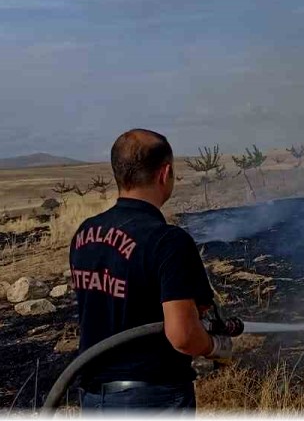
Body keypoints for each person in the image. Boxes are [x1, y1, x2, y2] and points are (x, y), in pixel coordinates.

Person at [69, 128, 231, 412]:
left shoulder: (85, 234)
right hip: (151, 399)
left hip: (94, 398)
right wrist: (215, 346)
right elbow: (183, 335)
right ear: (164, 173)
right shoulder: (168, 241)